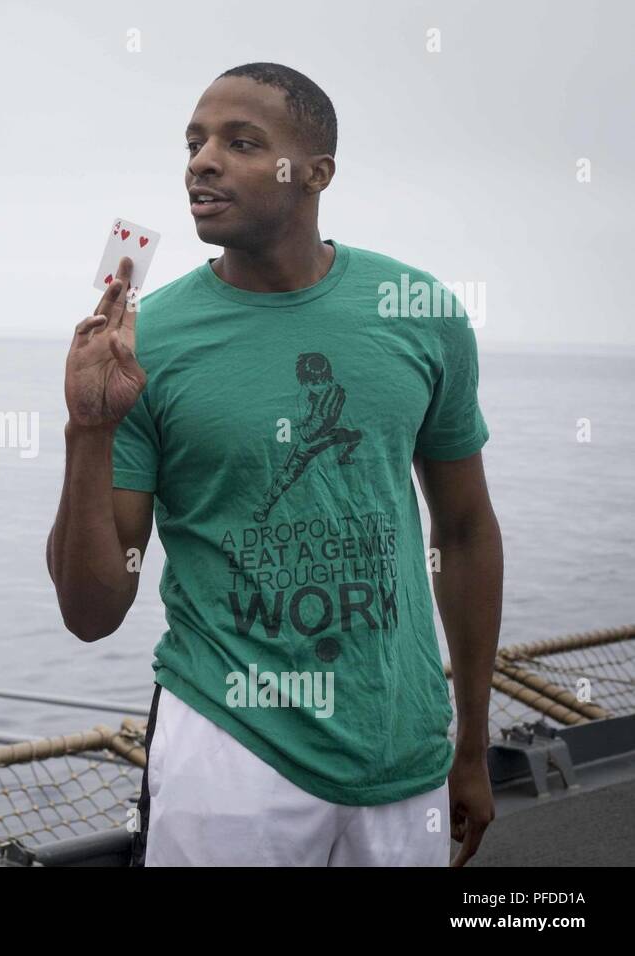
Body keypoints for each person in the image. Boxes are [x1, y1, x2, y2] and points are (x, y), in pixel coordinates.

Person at [47, 62, 502, 866]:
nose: (201, 161)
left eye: (240, 142)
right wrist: (88, 430)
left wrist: (471, 741)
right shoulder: (145, 344)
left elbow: (463, 532)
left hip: (405, 747)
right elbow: (92, 611)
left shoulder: (419, 312)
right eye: (193, 142)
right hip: (230, 750)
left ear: (316, 172)